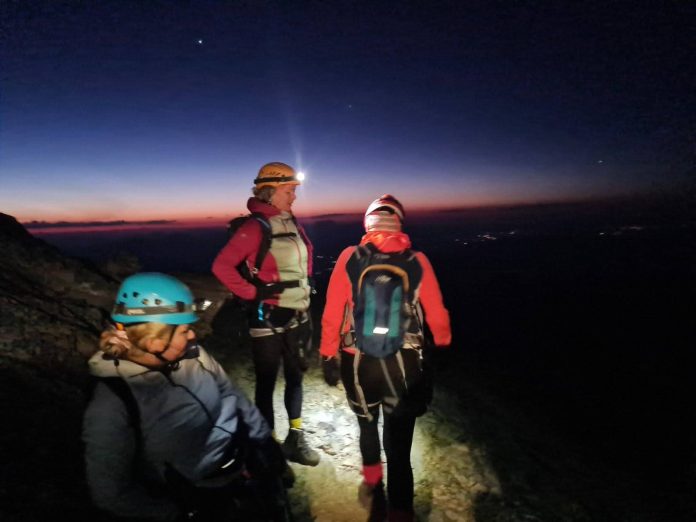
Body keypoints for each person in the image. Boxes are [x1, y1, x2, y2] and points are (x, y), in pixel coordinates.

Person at [82, 272, 289, 521]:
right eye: (184, 330)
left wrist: (264, 440)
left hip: (243, 461)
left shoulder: (193, 354)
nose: (192, 336)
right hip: (201, 494)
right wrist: (177, 513)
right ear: (155, 342)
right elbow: (110, 492)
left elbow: (230, 393)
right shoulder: (113, 402)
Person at [319, 195, 451, 522]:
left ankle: (373, 484)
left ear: (368, 223)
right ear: (399, 223)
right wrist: (441, 346)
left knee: (367, 426)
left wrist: (327, 354)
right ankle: (401, 512)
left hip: (358, 362)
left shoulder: (350, 256)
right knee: (399, 445)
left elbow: (333, 311)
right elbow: (437, 314)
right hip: (404, 364)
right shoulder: (417, 260)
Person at [212, 161, 320, 467]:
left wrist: (304, 289)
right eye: (289, 190)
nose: (294, 196)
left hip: (297, 313)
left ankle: (295, 438)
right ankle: (268, 446)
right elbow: (221, 266)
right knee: (267, 381)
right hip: (268, 317)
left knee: (295, 377)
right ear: (270, 191)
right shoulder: (255, 227)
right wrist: (251, 293)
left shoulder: (291, 222)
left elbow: (306, 258)